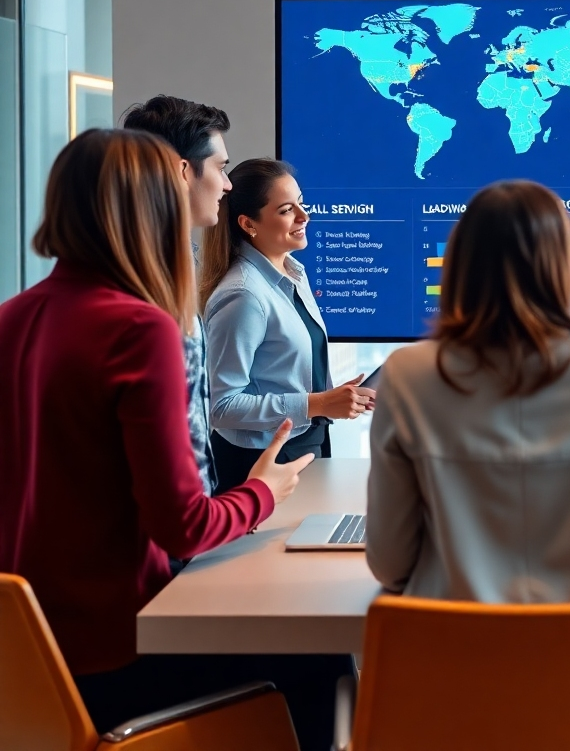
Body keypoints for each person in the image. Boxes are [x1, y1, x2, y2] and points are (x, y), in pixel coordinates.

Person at [0, 129, 326, 739]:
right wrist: (262, 492)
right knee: (318, 657)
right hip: (122, 648)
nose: (215, 191)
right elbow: (183, 527)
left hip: (30, 655)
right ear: (157, 208)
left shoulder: (11, 317)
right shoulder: (141, 329)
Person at [366, 179, 570, 602]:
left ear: (460, 266)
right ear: (568, 264)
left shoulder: (407, 374)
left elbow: (390, 564)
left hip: (454, 639)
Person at [200, 158, 374, 491]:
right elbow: (220, 406)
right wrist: (318, 403)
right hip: (257, 462)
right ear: (248, 224)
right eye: (286, 210)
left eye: (301, 203)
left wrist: (336, 398)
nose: (304, 216)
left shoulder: (292, 272)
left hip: (304, 445)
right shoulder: (243, 295)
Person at [122, 95, 232, 496]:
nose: (227, 184)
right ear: (182, 171)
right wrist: (260, 493)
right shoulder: (149, 288)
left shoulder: (176, 260)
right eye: (221, 168)